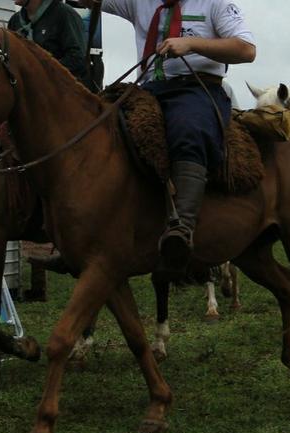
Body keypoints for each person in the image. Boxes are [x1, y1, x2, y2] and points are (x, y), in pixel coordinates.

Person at [78, 0, 255, 280]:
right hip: (148, 89)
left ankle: (181, 228)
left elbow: (246, 50)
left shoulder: (216, 4)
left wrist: (192, 44)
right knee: (98, 125)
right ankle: (87, 230)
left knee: (189, 129)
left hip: (196, 87)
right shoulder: (140, 2)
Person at [9, 0, 89, 301]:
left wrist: (36, 79)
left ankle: (69, 233)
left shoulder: (63, 15)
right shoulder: (16, 22)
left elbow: (77, 60)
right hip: (26, 110)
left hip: (62, 107)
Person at [8, 0, 88, 83]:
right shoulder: (15, 21)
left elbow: (78, 58)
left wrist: (41, 72)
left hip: (58, 90)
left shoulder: (64, 14)